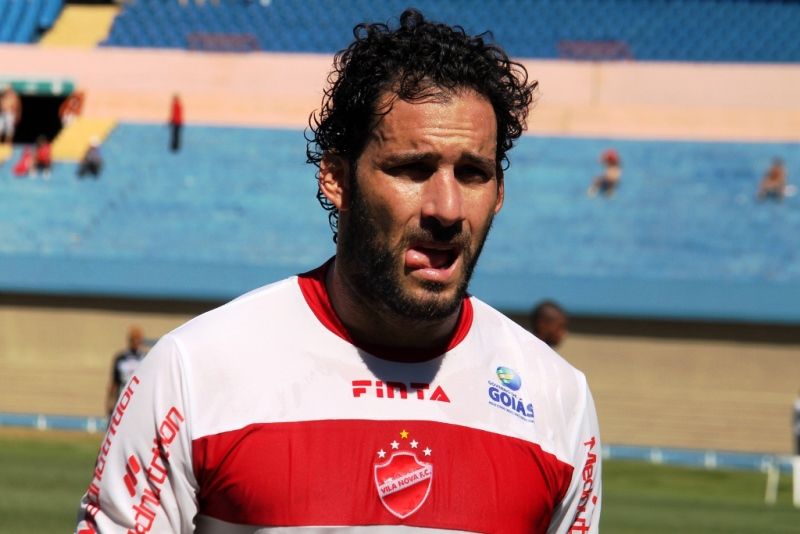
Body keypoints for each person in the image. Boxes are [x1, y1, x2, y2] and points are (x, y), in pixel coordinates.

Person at [76, 9, 601, 533]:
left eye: (472, 173)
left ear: (500, 193)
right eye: (412, 168)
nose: (446, 208)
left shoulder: (558, 399)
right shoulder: (193, 372)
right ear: (336, 178)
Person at [104, 325, 147, 418]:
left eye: (138, 339)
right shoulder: (120, 359)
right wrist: (110, 401)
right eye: (133, 339)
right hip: (122, 400)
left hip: (139, 401)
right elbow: (114, 382)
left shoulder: (145, 358)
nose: (135, 342)